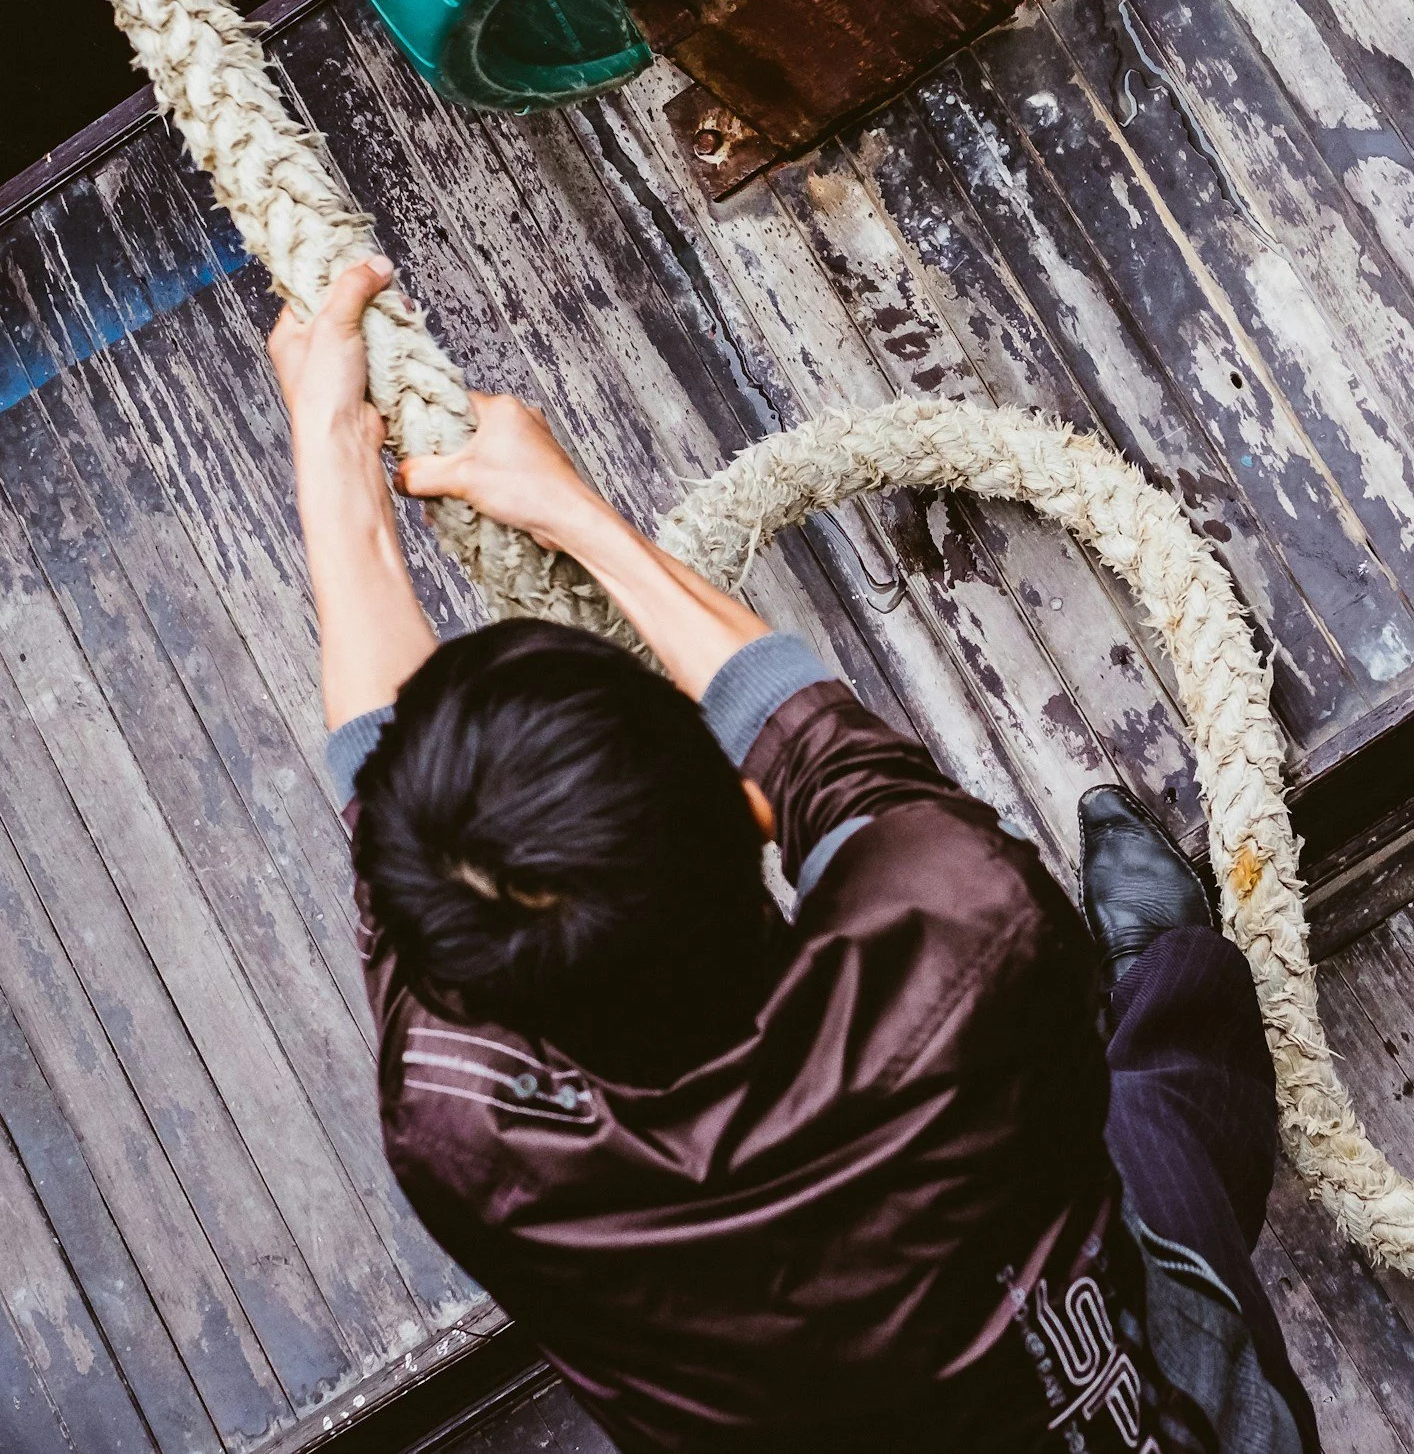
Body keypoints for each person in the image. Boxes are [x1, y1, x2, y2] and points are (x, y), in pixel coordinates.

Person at [272, 257, 1320, 1453]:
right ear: (754, 815)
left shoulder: (458, 1128)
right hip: (1166, 1413)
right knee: (1160, 1098)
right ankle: (1174, 977)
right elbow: (816, 744)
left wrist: (330, 462)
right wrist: (578, 518)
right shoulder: (965, 933)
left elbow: (382, 797)